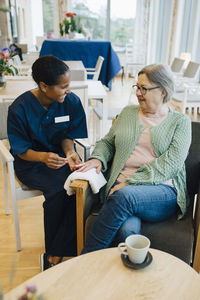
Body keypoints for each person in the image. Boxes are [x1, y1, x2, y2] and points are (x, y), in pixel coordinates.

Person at [78, 64, 191, 254]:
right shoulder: (128, 113)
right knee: (126, 233)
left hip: (162, 191)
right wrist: (98, 158)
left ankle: (83, 262)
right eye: (136, 87)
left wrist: (130, 183)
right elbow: (107, 142)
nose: (138, 93)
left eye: (144, 88)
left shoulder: (180, 122)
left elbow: (171, 164)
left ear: (163, 91)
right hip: (122, 191)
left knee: (124, 197)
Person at [7, 55, 88, 270]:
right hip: (31, 164)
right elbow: (20, 150)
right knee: (60, 190)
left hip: (60, 159)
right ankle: (53, 253)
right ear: (44, 86)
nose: (68, 91)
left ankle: (69, 247)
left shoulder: (70, 102)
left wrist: (70, 151)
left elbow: (66, 134)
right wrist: (43, 157)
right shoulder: (19, 109)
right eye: (63, 87)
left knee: (79, 187)